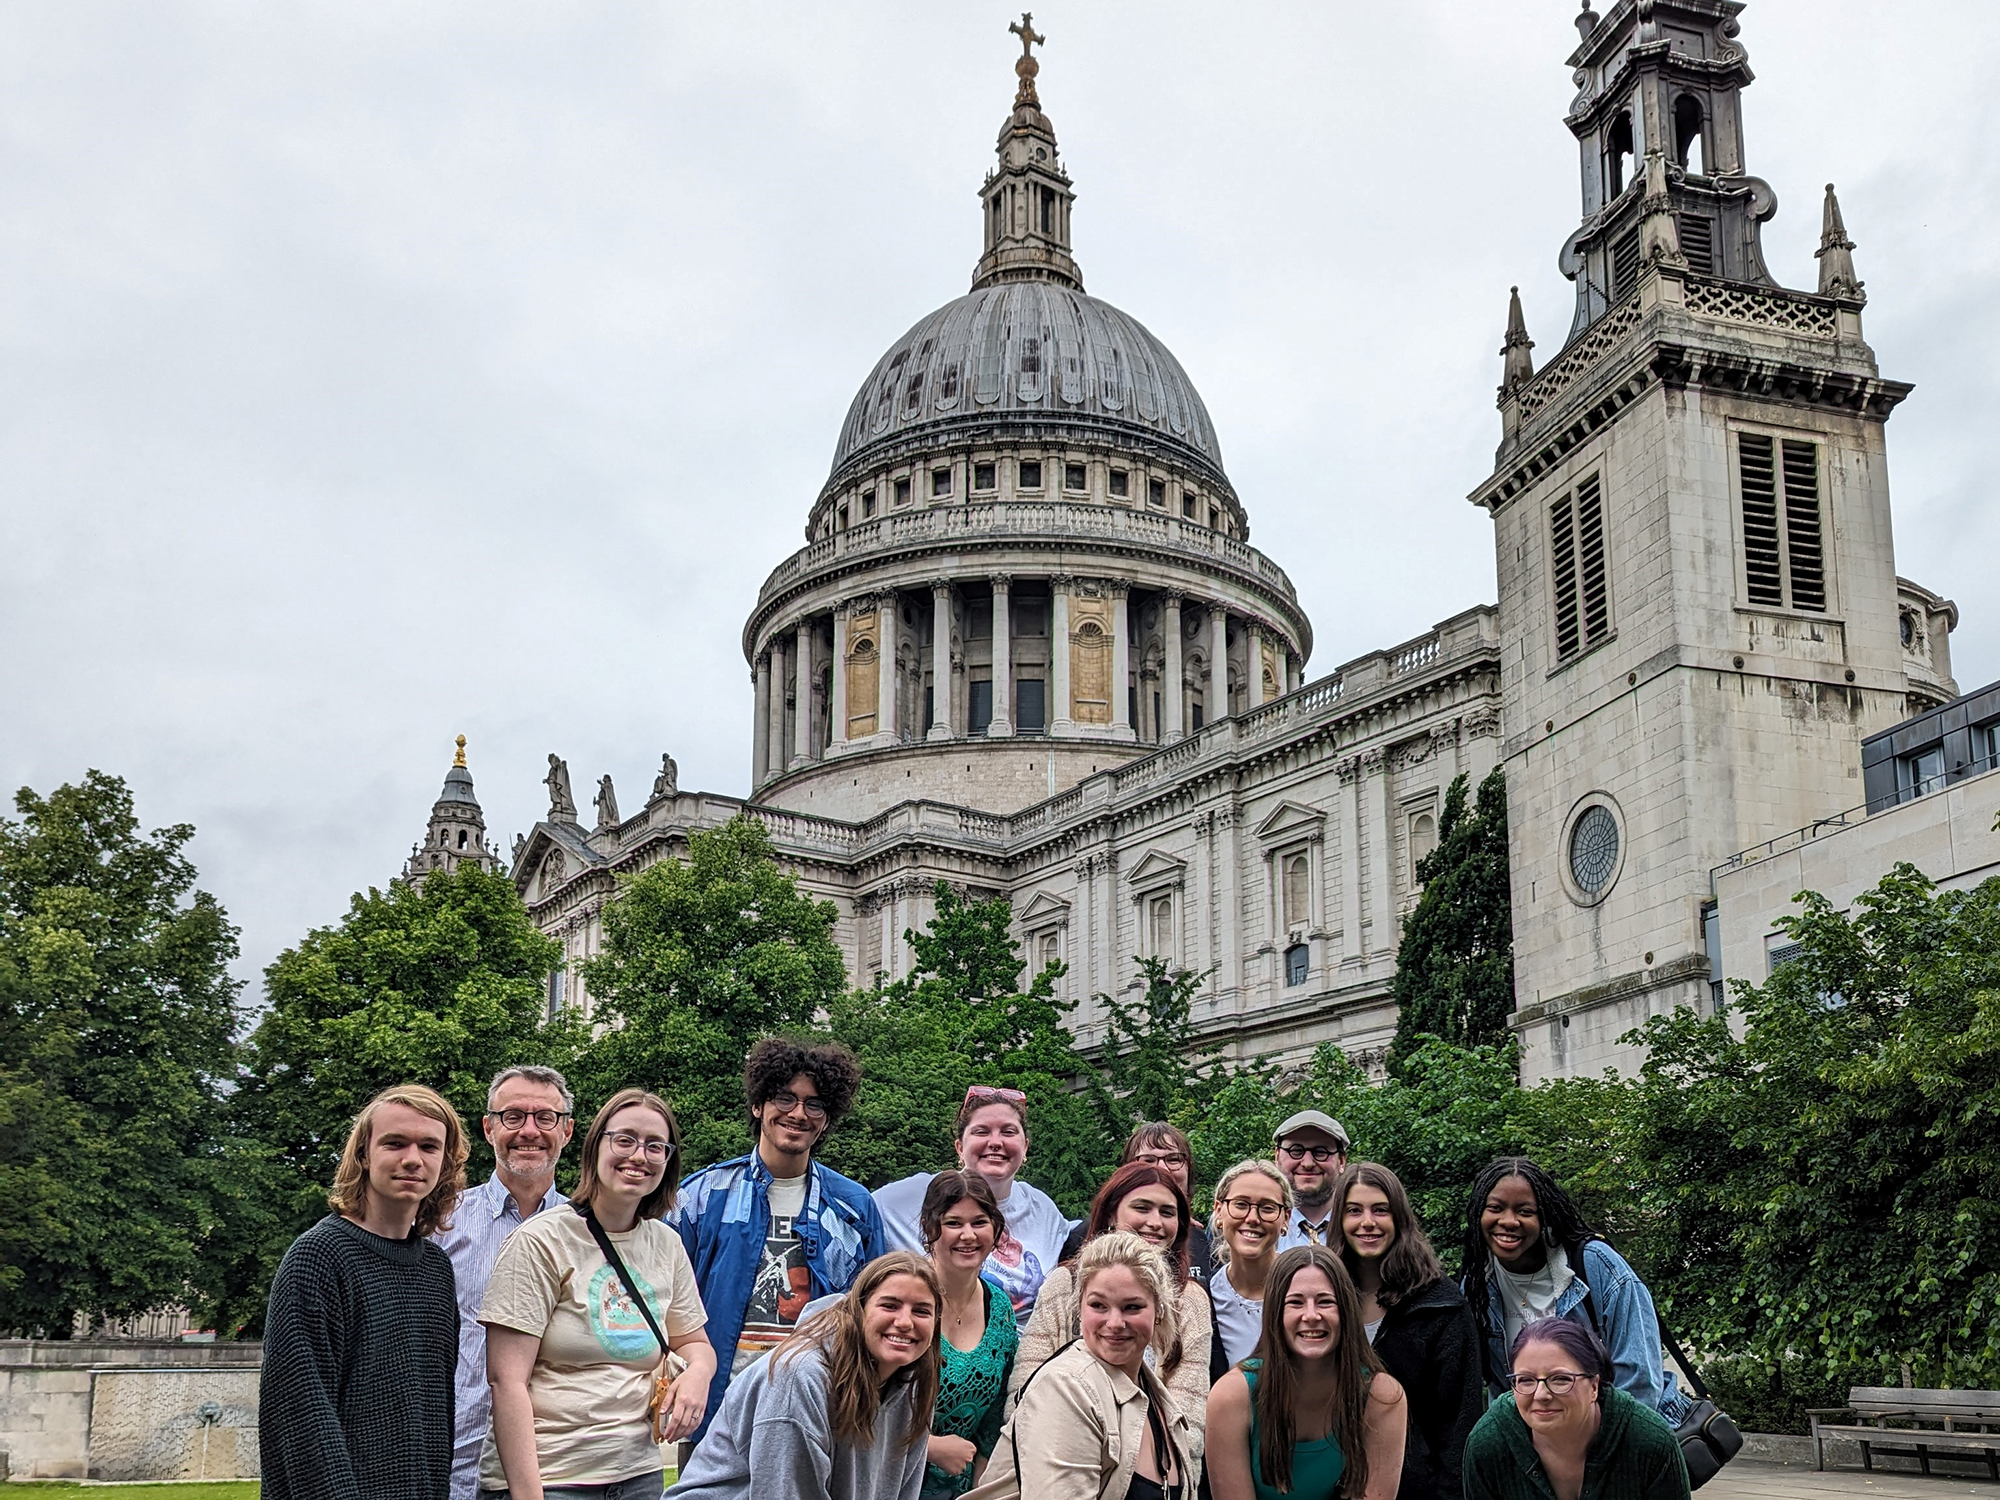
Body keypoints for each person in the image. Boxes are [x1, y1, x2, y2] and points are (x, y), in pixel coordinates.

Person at [481, 1087, 716, 1500]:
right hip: (552, 1478)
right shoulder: (541, 1240)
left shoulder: (666, 1244)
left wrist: (698, 1374)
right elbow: (507, 1382)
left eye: (655, 1146)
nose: (639, 1156)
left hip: (637, 1476)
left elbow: (695, 1342)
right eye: (624, 1140)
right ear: (595, 1147)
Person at [671, 1037, 886, 1443]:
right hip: (715, 1413)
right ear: (759, 1105)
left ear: (827, 1117)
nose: (798, 1113)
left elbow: (872, 1307)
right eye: (785, 1098)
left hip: (815, 1412)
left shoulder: (853, 1207)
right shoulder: (701, 1197)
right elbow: (661, 1295)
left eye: (814, 1104)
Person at [259, 1083, 466, 1500]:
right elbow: (299, 1411)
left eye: (429, 1146)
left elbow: (435, 1414)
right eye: (394, 1143)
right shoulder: (319, 1256)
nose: (412, 1159)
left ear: (445, 1163)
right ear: (364, 1154)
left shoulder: (436, 1268)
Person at [669, 1250, 943, 1500]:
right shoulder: (800, 1377)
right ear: (859, 1309)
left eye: (921, 1311)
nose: (905, 1322)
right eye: (890, 1306)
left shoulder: (915, 1383)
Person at [1010, 1162, 1215, 1465]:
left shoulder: (1191, 1301)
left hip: (1156, 1466)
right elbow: (1025, 1392)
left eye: (1167, 1212)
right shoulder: (1065, 1285)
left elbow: (1189, 1420)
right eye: (1142, 1208)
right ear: (1111, 1213)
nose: (1155, 1222)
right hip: (1060, 1457)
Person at [435, 1065, 576, 1500]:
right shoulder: (441, 1224)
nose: (529, 1131)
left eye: (545, 1117)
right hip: (456, 1458)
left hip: (561, 1466)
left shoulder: (589, 1233)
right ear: (489, 1128)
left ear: (567, 1131)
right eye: (513, 1117)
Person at [1461, 1157, 1688, 1420]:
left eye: (1525, 1211)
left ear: (1544, 1216)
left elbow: (1639, 1378)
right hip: (1540, 1441)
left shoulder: (1595, 1265)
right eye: (1495, 1208)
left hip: (1618, 1433)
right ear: (1479, 1212)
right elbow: (1501, 1389)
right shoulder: (1477, 1286)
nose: (1509, 1221)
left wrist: (1606, 1450)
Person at [978, 1232, 1195, 1500]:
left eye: (1132, 1307)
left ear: (1158, 1310)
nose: (1115, 1322)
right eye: (1098, 1305)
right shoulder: (1065, 1388)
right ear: (1079, 1307)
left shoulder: (1155, 1395)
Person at [1329, 1163, 1482, 1500]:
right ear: (1339, 1220)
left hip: (1416, 1488)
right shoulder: (1325, 1298)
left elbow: (1460, 1422)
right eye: (1354, 1211)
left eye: (1380, 1210)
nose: (1367, 1222)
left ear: (1399, 1217)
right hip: (1329, 1483)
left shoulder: (1440, 1305)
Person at [1204, 1245, 1406, 1500]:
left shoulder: (1382, 1397)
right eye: (1295, 1302)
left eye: (1325, 1302)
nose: (1311, 1315)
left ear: (1346, 1312)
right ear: (1275, 1314)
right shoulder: (1231, 1397)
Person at [875, 1085, 1076, 1328]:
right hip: (934, 1345)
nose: (995, 1142)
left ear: (1025, 1148)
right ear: (959, 1147)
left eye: (1008, 1132)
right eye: (981, 1132)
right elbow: (855, 1210)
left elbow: (1081, 1236)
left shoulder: (1042, 1209)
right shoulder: (915, 1194)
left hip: (1025, 1352)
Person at [1462, 1318, 1690, 1500]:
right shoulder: (1487, 1444)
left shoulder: (1651, 1441)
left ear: (1594, 1386)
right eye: (1526, 1380)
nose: (1541, 1395)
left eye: (1560, 1379)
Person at [1060, 1123, 1213, 1284]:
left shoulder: (1199, 1240)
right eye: (1148, 1160)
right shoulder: (1081, 1238)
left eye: (1174, 1159)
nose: (1162, 1169)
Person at [1206, 1159, 1292, 1376]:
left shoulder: (1304, 1288)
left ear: (1286, 1218)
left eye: (1267, 1208)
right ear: (1219, 1211)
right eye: (1241, 1204)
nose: (1252, 1218)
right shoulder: (1205, 1300)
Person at [1271, 1111, 1349, 1251]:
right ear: (1277, 1157)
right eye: (1296, 1150)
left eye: (1321, 1152)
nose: (1307, 1163)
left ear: (1341, 1161)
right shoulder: (1259, 1227)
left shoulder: (1362, 1228)